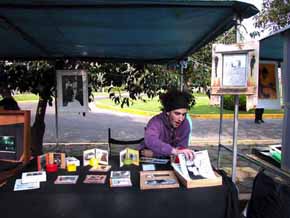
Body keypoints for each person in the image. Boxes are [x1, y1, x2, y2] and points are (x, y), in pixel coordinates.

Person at [139, 89, 194, 161]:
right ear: (168, 112)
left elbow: (181, 150)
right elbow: (150, 140)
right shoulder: (156, 122)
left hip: (169, 161)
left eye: (184, 114)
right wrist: (174, 151)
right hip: (148, 160)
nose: (181, 119)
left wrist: (155, 154)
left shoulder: (185, 124)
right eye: (177, 114)